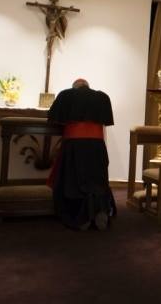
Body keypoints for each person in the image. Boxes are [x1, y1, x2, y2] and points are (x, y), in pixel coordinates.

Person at [48, 78, 115, 230]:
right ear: (88, 86)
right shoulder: (102, 97)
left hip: (74, 145)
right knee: (97, 180)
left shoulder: (66, 95)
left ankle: (80, 217)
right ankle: (100, 211)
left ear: (74, 87)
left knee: (74, 180)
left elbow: (53, 118)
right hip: (97, 145)